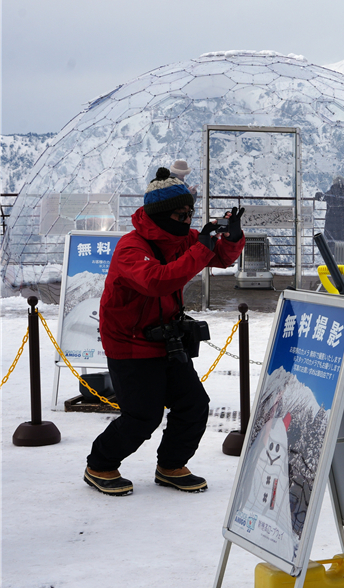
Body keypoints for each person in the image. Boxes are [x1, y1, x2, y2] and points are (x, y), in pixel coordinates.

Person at [83, 167, 246, 496]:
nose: (188, 221)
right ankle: (99, 465)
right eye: (180, 214)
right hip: (130, 343)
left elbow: (218, 259)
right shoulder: (131, 248)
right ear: (160, 214)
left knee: (194, 405)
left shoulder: (180, 237)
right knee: (143, 416)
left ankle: (171, 465)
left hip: (167, 338)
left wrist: (229, 238)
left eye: (190, 213)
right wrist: (200, 246)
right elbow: (157, 281)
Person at [315, 175, 344, 243]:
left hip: (332, 225)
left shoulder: (330, 193)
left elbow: (320, 197)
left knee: (332, 246)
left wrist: (318, 194)